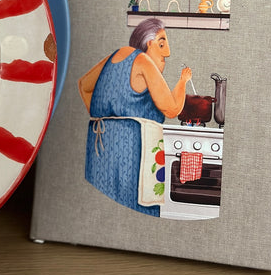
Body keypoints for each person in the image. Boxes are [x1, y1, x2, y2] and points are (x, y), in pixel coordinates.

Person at [78, 18, 192, 216]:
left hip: (100, 148)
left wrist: (106, 118)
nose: (167, 53)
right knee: (132, 209)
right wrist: (183, 81)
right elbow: (172, 109)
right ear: (149, 43)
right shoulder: (143, 61)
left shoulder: (117, 55)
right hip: (130, 153)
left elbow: (84, 86)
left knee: (101, 208)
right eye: (162, 44)